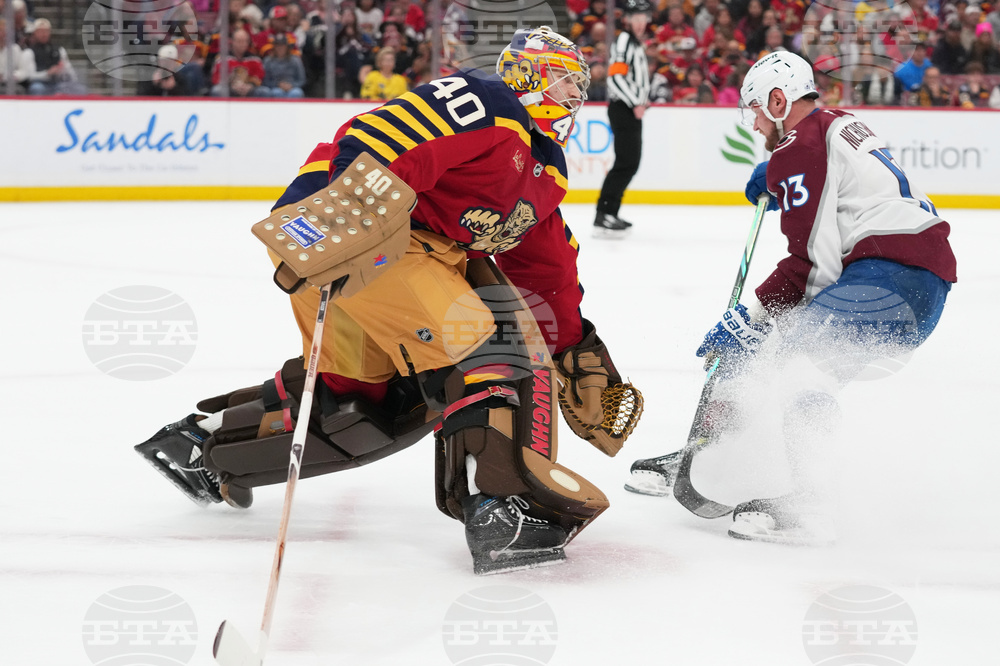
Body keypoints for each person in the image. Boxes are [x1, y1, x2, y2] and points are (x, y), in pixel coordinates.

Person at [134, 26, 643, 575]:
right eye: (567, 83)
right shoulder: (490, 102)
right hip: (370, 242)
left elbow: (547, 267)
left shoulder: (544, 171)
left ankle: (200, 448)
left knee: (366, 405)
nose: (575, 99)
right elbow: (385, 132)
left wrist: (574, 345)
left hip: (375, 259)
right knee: (484, 346)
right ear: (531, 75)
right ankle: (501, 508)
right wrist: (344, 212)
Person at [626, 51, 956, 545]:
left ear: (779, 101)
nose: (755, 122)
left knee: (797, 361)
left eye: (757, 109)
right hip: (915, 283)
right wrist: (777, 171)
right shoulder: (835, 124)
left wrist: (752, 315)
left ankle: (810, 505)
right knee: (778, 361)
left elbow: (813, 269)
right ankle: (714, 455)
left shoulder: (800, 147)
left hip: (890, 277)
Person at [594, 0, 652, 236]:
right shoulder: (625, 41)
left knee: (629, 162)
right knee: (626, 162)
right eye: (636, 19)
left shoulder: (633, 42)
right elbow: (615, 78)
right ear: (627, 19)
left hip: (628, 108)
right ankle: (604, 212)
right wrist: (636, 102)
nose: (641, 23)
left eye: (643, 18)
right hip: (624, 108)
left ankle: (610, 211)